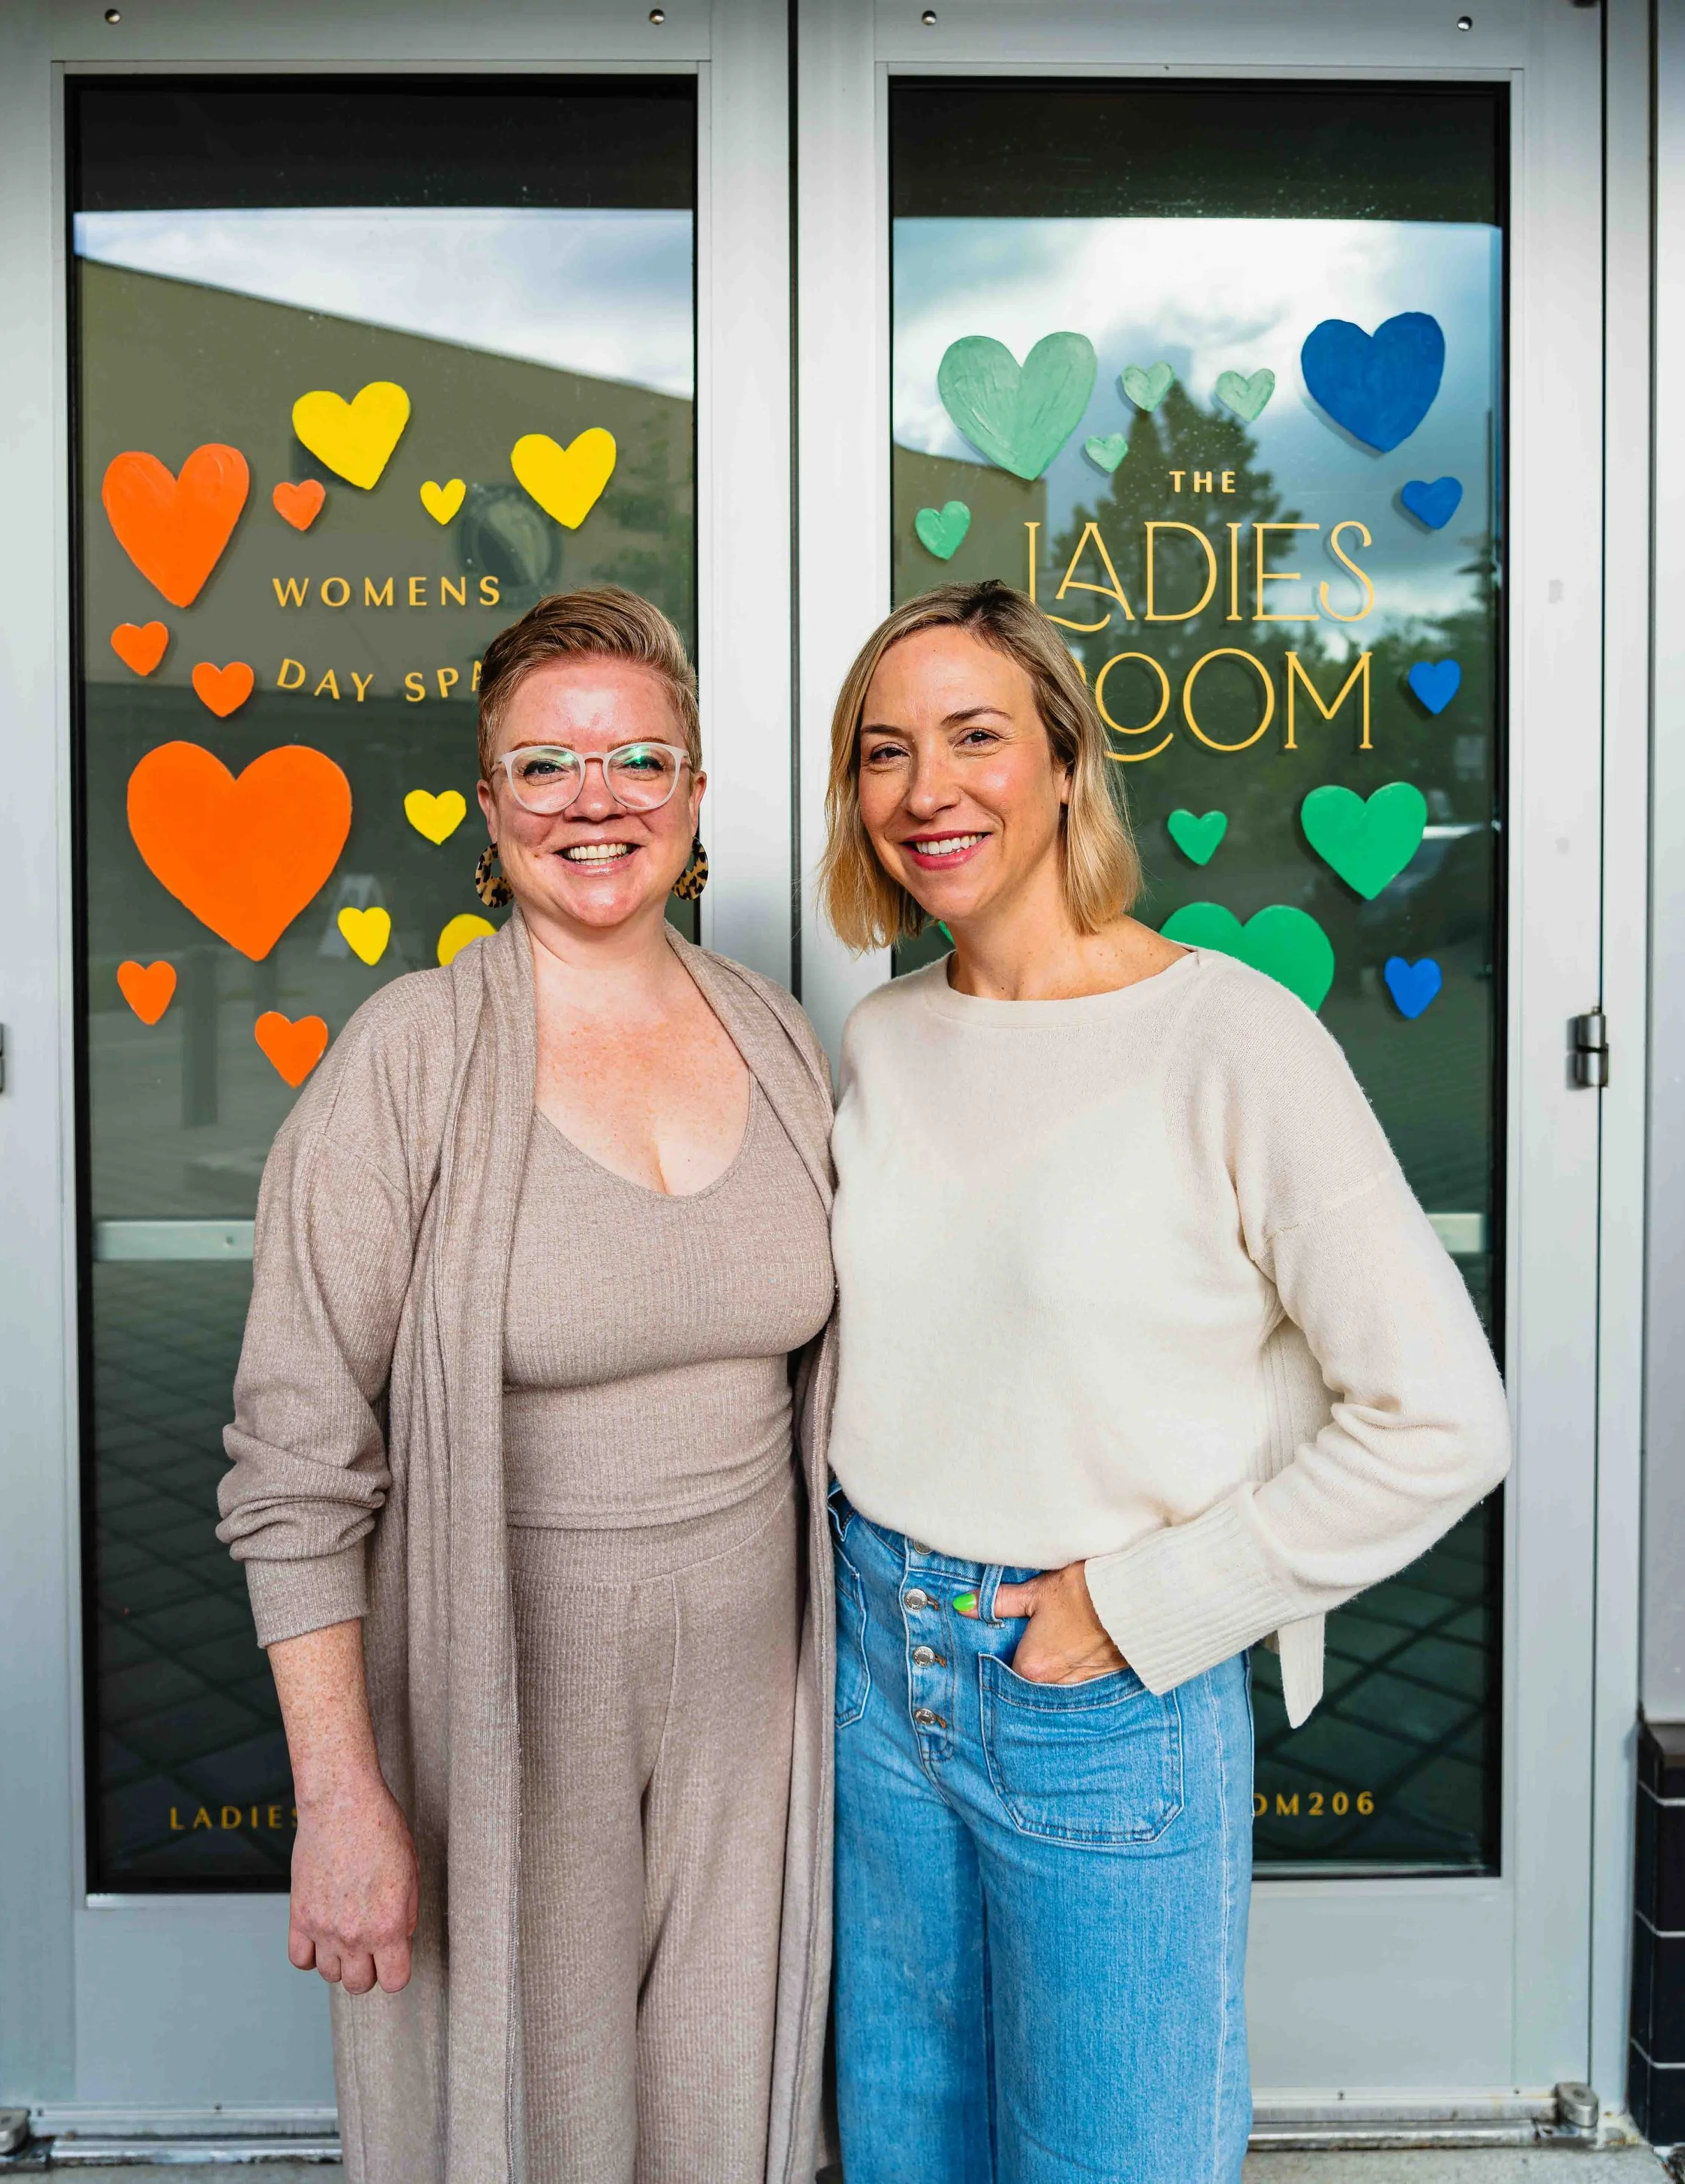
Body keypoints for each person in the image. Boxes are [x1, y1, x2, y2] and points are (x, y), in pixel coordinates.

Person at [818, 579, 1510, 2184]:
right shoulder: (882, 1037)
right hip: (868, 1659)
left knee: (1102, 2157)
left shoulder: (1228, 1038)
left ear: (1064, 760)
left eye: (975, 736)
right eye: (882, 752)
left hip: (1098, 1685)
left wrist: (1158, 1597)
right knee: (905, 2146)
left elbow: (1443, 1417)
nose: (928, 791)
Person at [218, 588, 840, 2184]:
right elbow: (295, 1456)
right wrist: (339, 1793)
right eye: (545, 766)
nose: (595, 799)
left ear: (696, 799)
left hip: (755, 1723)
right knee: (530, 2132)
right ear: (487, 807)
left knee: (726, 2133)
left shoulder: (778, 1036)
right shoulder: (409, 1058)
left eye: (640, 757)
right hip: (496, 1710)